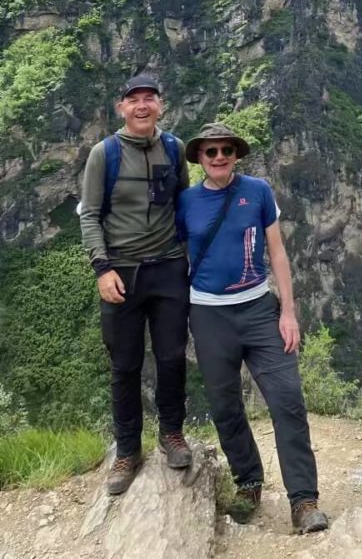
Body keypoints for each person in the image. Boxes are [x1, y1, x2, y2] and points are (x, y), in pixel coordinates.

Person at [177, 122, 328, 533]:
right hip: (209, 315)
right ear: (200, 159)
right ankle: (249, 483)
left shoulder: (257, 191)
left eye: (227, 149)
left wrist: (288, 311)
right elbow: (175, 259)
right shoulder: (186, 202)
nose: (220, 156)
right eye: (212, 151)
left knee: (287, 399)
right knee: (225, 405)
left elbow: (277, 252)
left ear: (236, 154)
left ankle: (304, 500)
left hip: (260, 309)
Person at [80, 74, 192, 495]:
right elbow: (89, 214)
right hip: (121, 272)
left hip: (168, 268)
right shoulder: (103, 154)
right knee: (124, 365)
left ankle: (172, 433)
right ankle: (127, 451)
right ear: (121, 108)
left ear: (161, 106)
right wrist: (101, 269)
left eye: (150, 99)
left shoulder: (175, 148)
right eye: (134, 100)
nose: (142, 106)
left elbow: (184, 204)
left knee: (172, 356)